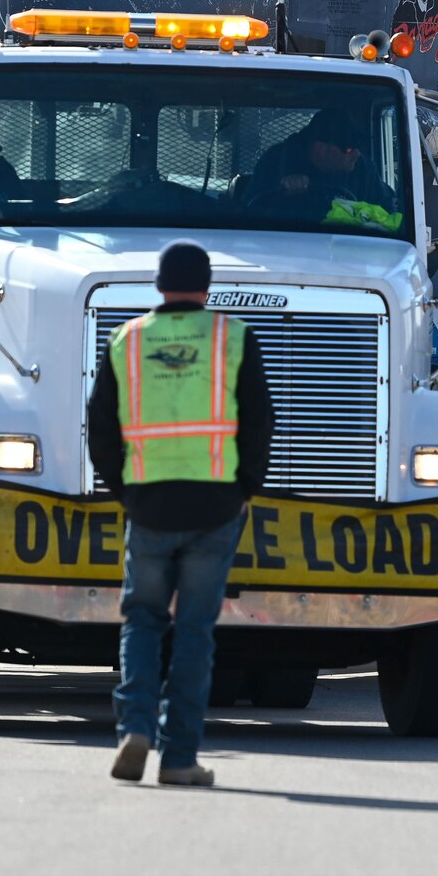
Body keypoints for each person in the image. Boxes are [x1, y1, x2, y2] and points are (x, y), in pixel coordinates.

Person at [87, 241, 275, 787]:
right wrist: (246, 488)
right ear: (208, 285)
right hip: (216, 504)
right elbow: (259, 422)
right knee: (194, 630)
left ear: (159, 285)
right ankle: (179, 758)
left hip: (148, 502)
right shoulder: (232, 337)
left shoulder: (128, 340)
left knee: (142, 620)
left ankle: (134, 729)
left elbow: (99, 427)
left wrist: (123, 488)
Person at [243, 109, 402, 232]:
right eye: (348, 148)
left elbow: (389, 213)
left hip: (351, 247)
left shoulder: (363, 169)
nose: (357, 153)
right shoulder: (276, 162)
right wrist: (280, 194)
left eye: (358, 147)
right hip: (283, 245)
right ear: (320, 148)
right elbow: (248, 212)